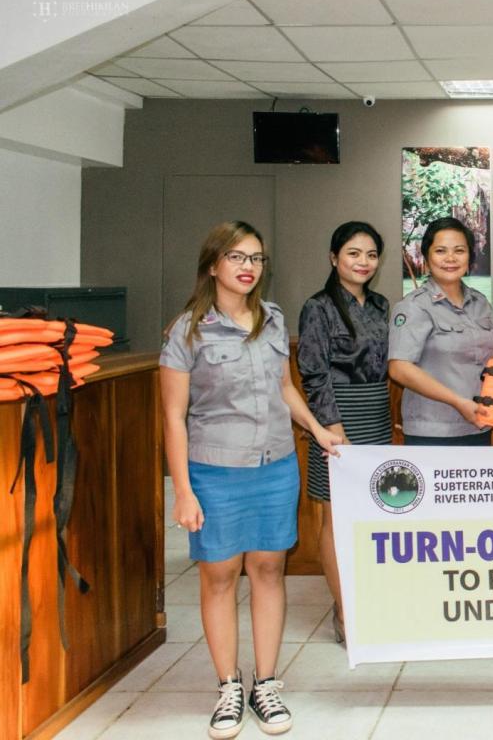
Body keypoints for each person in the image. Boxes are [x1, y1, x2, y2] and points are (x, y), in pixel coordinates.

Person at [159, 221, 341, 739]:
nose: (248, 267)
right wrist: (184, 491)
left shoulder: (273, 320)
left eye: (257, 258)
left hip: (276, 467)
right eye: (237, 257)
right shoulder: (187, 331)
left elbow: (286, 388)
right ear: (213, 264)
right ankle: (227, 686)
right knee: (219, 577)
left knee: (267, 571)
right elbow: (174, 417)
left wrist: (317, 430)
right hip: (214, 471)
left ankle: (265, 682)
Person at [297, 221, 390, 645]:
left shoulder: (381, 305)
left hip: (376, 414)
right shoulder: (317, 307)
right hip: (337, 420)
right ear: (334, 258)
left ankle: (370, 600)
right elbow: (313, 374)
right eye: (354, 253)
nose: (363, 262)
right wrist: (333, 430)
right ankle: (343, 611)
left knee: (371, 513)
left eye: (371, 255)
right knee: (336, 516)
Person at [388, 216, 493, 445]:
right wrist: (458, 402)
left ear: (470, 257)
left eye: (459, 250)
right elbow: (399, 368)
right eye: (440, 251)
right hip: (433, 432)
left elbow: (484, 358)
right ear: (426, 257)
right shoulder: (414, 306)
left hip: (480, 424)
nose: (450, 258)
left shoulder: (481, 303)